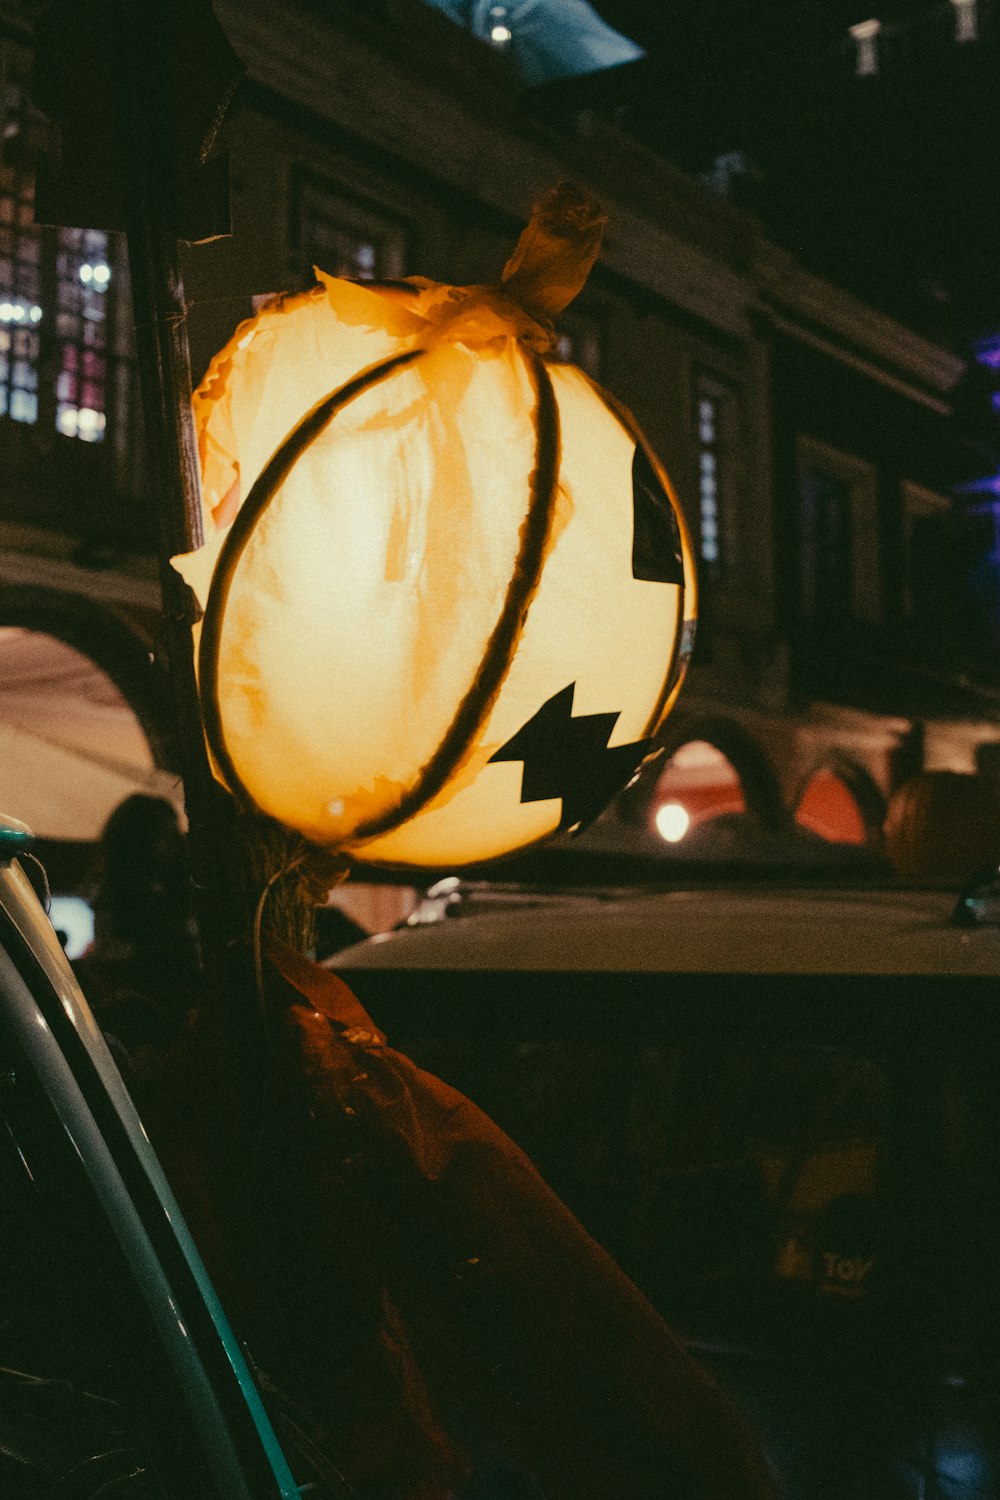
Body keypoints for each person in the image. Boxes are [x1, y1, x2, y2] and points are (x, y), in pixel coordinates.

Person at [73, 794, 200, 1081]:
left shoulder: (175, 898)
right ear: (141, 841)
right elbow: (115, 959)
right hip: (145, 1031)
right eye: (167, 834)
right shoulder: (123, 903)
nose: (178, 842)